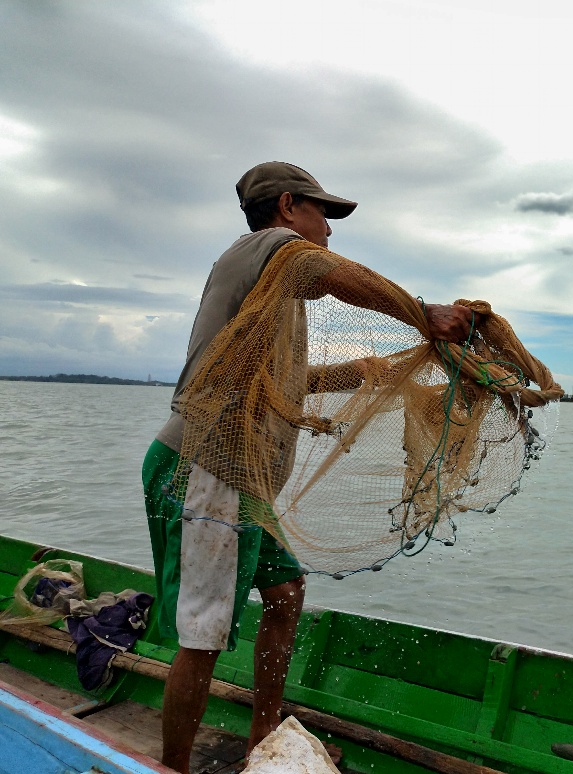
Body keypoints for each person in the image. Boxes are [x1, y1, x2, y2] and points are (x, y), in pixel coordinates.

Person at [142, 161, 472, 772]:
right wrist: (424, 312)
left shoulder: (272, 298)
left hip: (239, 480)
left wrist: (369, 371)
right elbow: (328, 271)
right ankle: (172, 767)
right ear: (289, 206)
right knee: (204, 634)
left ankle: (262, 736)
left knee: (286, 592)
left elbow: (292, 383)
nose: (329, 229)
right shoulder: (267, 248)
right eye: (324, 213)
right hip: (205, 467)